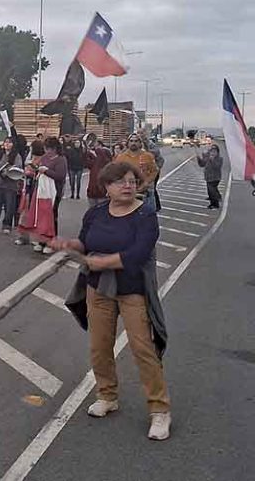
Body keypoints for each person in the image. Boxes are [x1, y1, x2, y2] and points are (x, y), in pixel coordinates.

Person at [51, 161, 171, 440]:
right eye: (121, 181)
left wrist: (104, 261)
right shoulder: (95, 213)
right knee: (99, 346)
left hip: (133, 291)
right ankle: (107, 395)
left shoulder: (146, 215)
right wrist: (71, 245)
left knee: (143, 348)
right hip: (98, 290)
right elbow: (85, 242)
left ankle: (160, 410)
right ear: (107, 187)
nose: (128, 185)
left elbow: (138, 254)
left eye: (131, 180)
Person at [115, 134, 159, 211]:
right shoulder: (121, 157)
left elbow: (154, 171)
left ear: (140, 143)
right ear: (128, 143)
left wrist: (147, 182)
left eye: (136, 141)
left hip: (145, 192)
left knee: (147, 215)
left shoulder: (148, 156)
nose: (133, 143)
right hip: (127, 191)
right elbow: (115, 173)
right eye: (131, 141)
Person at [40, 137, 69, 250]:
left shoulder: (61, 159)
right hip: (43, 191)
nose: (47, 151)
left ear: (55, 148)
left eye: (49, 149)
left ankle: (52, 241)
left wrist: (46, 171)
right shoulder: (44, 158)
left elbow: (60, 176)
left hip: (55, 191)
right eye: (46, 149)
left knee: (52, 216)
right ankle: (42, 240)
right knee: (42, 216)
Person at [84, 137, 112, 207]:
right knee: (93, 211)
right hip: (92, 192)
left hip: (101, 193)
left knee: (99, 211)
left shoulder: (106, 164)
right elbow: (86, 162)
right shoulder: (94, 162)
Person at [195, 143, 223, 209]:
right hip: (208, 177)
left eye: (214, 151)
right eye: (211, 151)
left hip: (215, 178)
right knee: (211, 191)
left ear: (217, 152)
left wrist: (212, 160)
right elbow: (202, 164)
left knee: (212, 190)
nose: (213, 152)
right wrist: (198, 158)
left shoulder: (220, 159)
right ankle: (216, 199)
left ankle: (215, 204)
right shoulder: (207, 157)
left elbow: (217, 167)